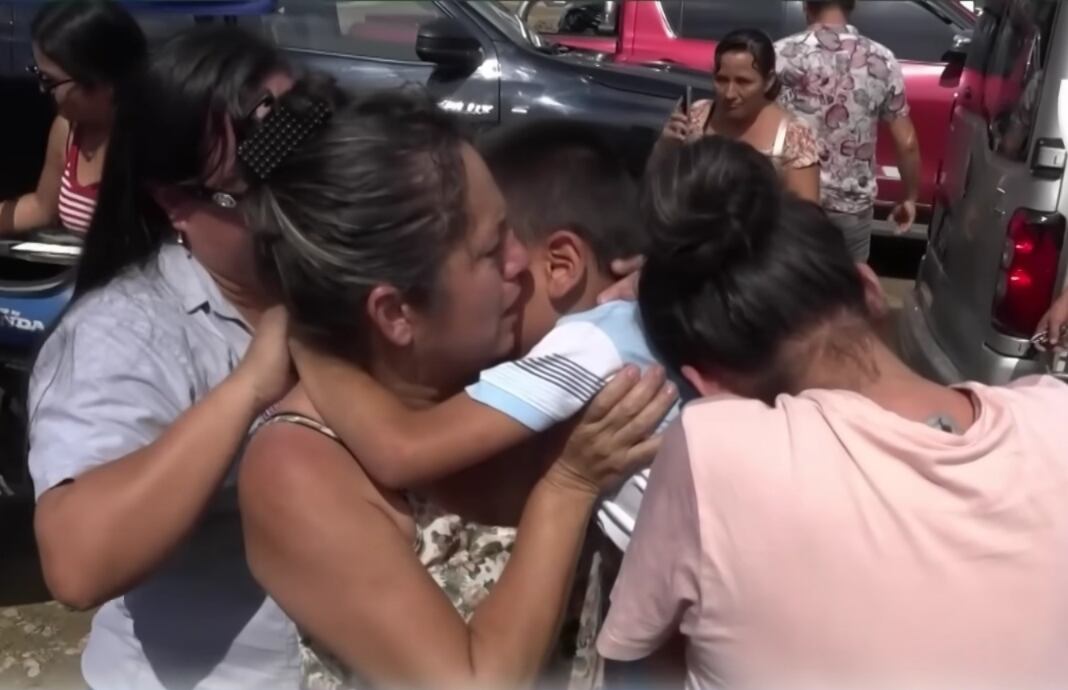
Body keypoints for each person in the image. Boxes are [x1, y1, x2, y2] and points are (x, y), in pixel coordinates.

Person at [238, 89, 676, 689]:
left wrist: (671, 293)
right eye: (493, 247)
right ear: (395, 313)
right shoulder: (302, 465)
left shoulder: (520, 355)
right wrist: (568, 487)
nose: (523, 261)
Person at [596, 135, 1068, 689]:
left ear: (704, 382)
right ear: (870, 287)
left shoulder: (711, 452)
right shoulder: (1053, 416)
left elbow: (642, 655)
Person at [28, 26, 304, 690]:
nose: (306, 198)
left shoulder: (351, 280)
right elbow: (78, 563)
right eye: (262, 186)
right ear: (176, 203)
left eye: (311, 159)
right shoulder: (124, 332)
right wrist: (248, 389)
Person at [290, 119, 679, 553]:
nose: (509, 267)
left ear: (562, 264)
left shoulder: (587, 348)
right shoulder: (650, 322)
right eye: (494, 250)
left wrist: (310, 345)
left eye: (501, 247)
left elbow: (401, 451)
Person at [776, 0, 922, 260]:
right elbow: (907, 142)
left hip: (790, 203)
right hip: (851, 208)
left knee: (791, 293)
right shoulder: (881, 59)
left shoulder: (781, 55)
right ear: (852, 6)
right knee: (844, 293)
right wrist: (909, 197)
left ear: (806, 7)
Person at [1, 0, 146, 234]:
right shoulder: (67, 129)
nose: (41, 89)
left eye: (49, 80)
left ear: (101, 80)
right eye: (38, 74)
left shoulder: (158, 137)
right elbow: (41, 207)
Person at [656, 28, 819, 203]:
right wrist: (666, 147)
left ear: (769, 81)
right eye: (722, 80)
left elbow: (805, 215)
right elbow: (664, 186)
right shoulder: (698, 116)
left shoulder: (793, 135)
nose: (729, 93)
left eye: (743, 82)